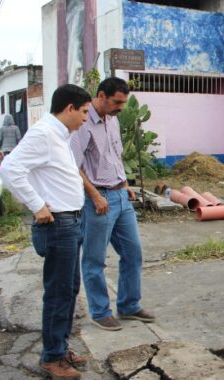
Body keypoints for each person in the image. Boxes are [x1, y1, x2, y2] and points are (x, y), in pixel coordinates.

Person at [0, 84, 92, 379]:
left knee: (68, 290)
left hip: (70, 223)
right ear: (69, 109)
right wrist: (38, 205)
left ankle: (60, 349)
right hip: (58, 226)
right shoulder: (43, 134)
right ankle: (51, 358)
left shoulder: (60, 134)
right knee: (58, 294)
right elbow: (9, 169)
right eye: (85, 112)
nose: (86, 118)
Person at [70, 77, 155, 330]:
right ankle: (100, 311)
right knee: (94, 260)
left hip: (120, 195)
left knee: (133, 253)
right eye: (117, 101)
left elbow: (114, 156)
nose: (120, 107)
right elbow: (72, 166)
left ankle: (129, 306)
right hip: (99, 200)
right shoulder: (84, 125)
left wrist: (125, 183)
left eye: (123, 102)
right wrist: (95, 195)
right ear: (101, 95)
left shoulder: (113, 120)